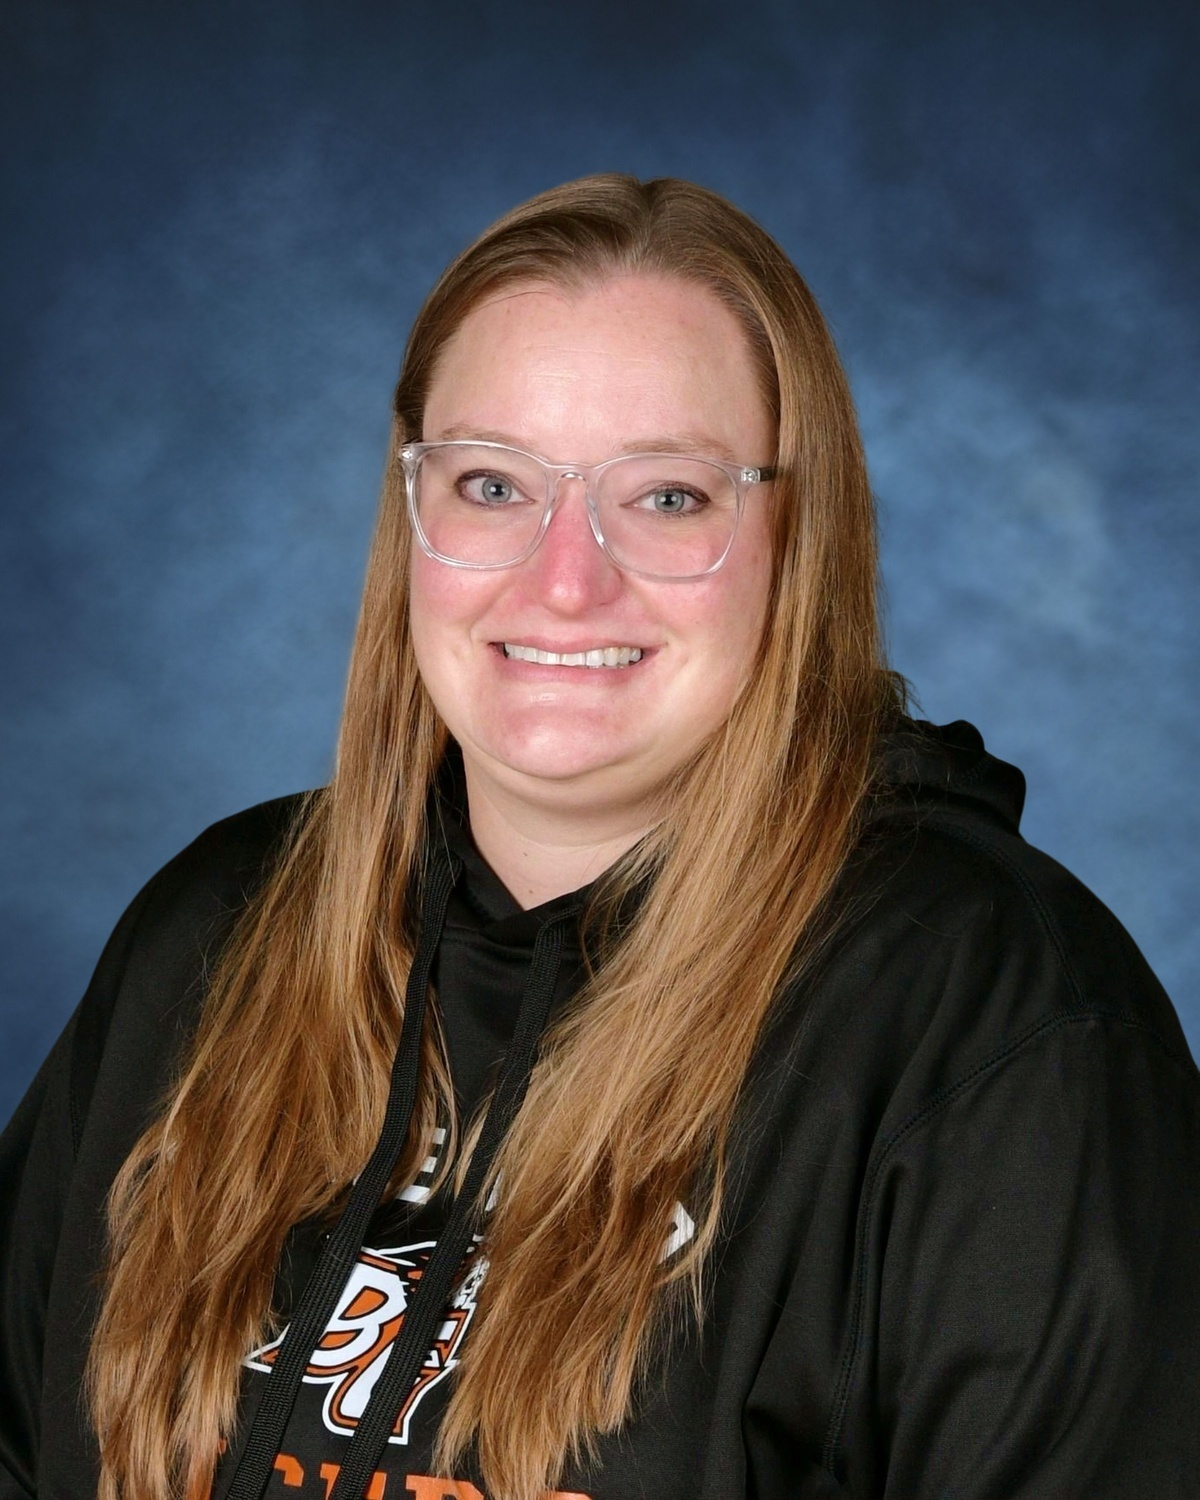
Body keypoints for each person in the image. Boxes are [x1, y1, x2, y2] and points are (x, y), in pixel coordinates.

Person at [1, 174, 1197, 1500]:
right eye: (494, 483)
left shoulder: (995, 1018)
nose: (566, 580)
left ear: (796, 534)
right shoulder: (216, 930)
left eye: (669, 497)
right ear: (413, 516)